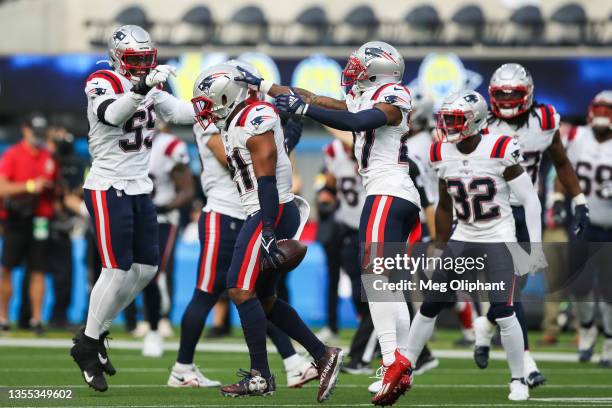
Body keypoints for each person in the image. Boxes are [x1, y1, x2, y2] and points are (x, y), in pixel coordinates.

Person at [236, 40, 420, 405]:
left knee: (375, 278)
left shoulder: (394, 94)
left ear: (379, 71)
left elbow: (357, 121)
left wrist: (304, 108)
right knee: (387, 282)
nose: (351, 71)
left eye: (359, 66)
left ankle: (391, 361)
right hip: (388, 192)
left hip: (389, 190)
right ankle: (398, 363)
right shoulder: (367, 94)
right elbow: (320, 99)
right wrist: (266, 87)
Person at [191, 63, 343, 400]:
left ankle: (260, 376)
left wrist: (269, 229)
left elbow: (266, 179)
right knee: (264, 297)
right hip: (264, 210)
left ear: (227, 95)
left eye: (208, 100)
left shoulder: (254, 117)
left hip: (266, 210)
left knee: (239, 288)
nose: (206, 108)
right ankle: (322, 355)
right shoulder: (236, 120)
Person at [169, 59, 317, 389]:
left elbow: (261, 160)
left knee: (257, 292)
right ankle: (183, 367)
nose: (203, 110)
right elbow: (236, 162)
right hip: (225, 212)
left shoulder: (249, 116)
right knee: (213, 292)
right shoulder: (222, 121)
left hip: (256, 212)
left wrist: (286, 136)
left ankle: (292, 363)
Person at [70, 24, 196, 392]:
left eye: (145, 60)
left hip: (140, 187)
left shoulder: (149, 85)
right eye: (135, 60)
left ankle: (95, 332)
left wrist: (220, 103)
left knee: (145, 270)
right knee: (117, 268)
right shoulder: (102, 79)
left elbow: (179, 113)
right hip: (108, 185)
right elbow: (112, 114)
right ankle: (88, 344)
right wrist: (142, 88)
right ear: (118, 57)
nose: (142, 66)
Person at [405, 90, 546, 401]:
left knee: (504, 311)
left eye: (455, 120)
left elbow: (530, 201)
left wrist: (534, 247)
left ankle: (518, 379)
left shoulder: (498, 147)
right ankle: (405, 371)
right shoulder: (441, 152)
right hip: (463, 236)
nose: (448, 125)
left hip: (498, 237)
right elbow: (443, 204)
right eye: (446, 119)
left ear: (476, 121)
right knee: (429, 305)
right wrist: (440, 244)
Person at [476, 63, 589, 388]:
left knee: (515, 290)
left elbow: (561, 161)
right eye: (502, 94)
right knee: (511, 294)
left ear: (528, 95)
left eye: (515, 94)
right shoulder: (482, 121)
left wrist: (579, 200)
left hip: (527, 212)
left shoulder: (545, 120)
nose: (509, 100)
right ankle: (526, 364)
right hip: (493, 216)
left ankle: (486, 325)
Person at [134, 123, 194, 357]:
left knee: (156, 271)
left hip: (162, 218)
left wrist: (162, 207)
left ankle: (155, 326)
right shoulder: (126, 140)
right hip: (133, 215)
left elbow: (187, 189)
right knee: (128, 271)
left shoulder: (169, 146)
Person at [563, 90, 612, 367]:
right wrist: (558, 199)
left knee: (609, 289)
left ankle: (609, 339)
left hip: (610, 227)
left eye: (609, 110)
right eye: (600, 109)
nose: (603, 116)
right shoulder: (576, 137)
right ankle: (587, 328)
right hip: (583, 222)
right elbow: (564, 169)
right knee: (578, 284)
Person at [0, 114, 57, 335]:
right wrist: (31, 186)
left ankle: (36, 319)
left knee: (38, 270)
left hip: (40, 218)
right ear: (25, 130)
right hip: (15, 218)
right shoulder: (13, 154)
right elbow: (2, 188)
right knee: (7, 268)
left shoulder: (48, 157)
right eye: (35, 132)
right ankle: (3, 317)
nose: (38, 137)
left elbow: (54, 189)